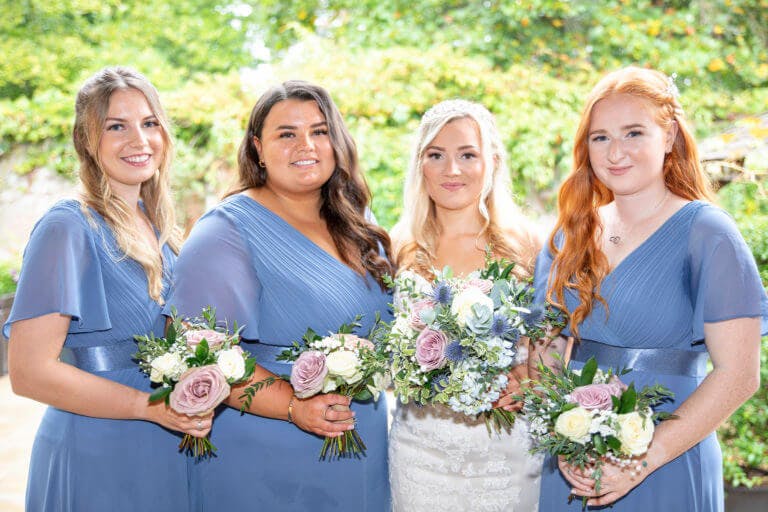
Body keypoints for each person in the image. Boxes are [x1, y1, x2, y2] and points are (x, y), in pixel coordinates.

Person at [532, 66, 767, 511]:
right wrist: (562, 438)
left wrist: (642, 459)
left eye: (633, 133)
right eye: (600, 137)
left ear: (670, 136)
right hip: (574, 464)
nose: (615, 152)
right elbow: (544, 350)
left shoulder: (709, 233)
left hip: (668, 459)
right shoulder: (569, 233)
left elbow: (739, 375)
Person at [165, 80, 394, 511]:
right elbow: (197, 353)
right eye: (286, 134)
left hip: (361, 443)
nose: (305, 145)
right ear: (257, 148)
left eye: (320, 131)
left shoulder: (358, 220)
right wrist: (292, 406)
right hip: (268, 456)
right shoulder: (225, 231)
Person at [4, 67, 210, 511]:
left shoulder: (163, 232)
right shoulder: (67, 227)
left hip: (165, 445)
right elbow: (28, 372)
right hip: (96, 448)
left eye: (149, 123)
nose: (139, 140)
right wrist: (145, 405)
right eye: (116, 126)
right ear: (86, 140)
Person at [388, 99, 544, 511]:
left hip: (504, 448)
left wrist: (528, 381)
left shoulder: (529, 246)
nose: (451, 170)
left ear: (491, 161)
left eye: (466, 155)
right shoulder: (396, 247)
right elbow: (382, 349)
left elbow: (552, 342)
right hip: (419, 450)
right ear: (420, 164)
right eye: (435, 155)